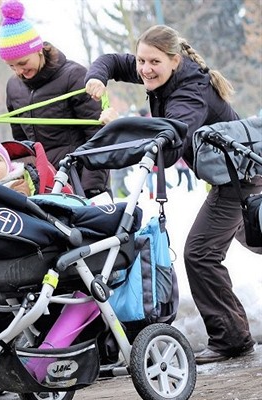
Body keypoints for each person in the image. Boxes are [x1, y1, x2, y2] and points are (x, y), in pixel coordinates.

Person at [84, 24, 261, 364]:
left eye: (154, 62)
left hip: (241, 180)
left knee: (200, 253)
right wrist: (97, 76)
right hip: (234, 178)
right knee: (254, 239)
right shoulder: (165, 76)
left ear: (175, 61)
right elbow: (111, 61)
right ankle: (234, 334)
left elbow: (167, 145)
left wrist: (118, 126)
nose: (145, 69)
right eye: (141, 61)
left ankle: (232, 338)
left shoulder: (188, 94)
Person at [0, 0, 109, 199]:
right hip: (42, 184)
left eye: (22, 63)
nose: (19, 71)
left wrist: (93, 187)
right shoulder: (13, 87)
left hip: (78, 178)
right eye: (11, 66)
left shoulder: (74, 76)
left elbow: (98, 135)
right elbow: (22, 145)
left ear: (38, 49)